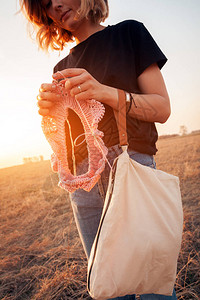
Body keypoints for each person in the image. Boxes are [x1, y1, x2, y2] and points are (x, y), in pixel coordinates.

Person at [19, 0, 177, 299]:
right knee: (108, 285)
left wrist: (103, 91)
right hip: (83, 182)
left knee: (151, 279)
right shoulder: (61, 68)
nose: (55, 5)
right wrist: (51, 111)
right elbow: (71, 136)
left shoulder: (129, 34)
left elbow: (162, 108)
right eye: (45, 5)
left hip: (130, 167)